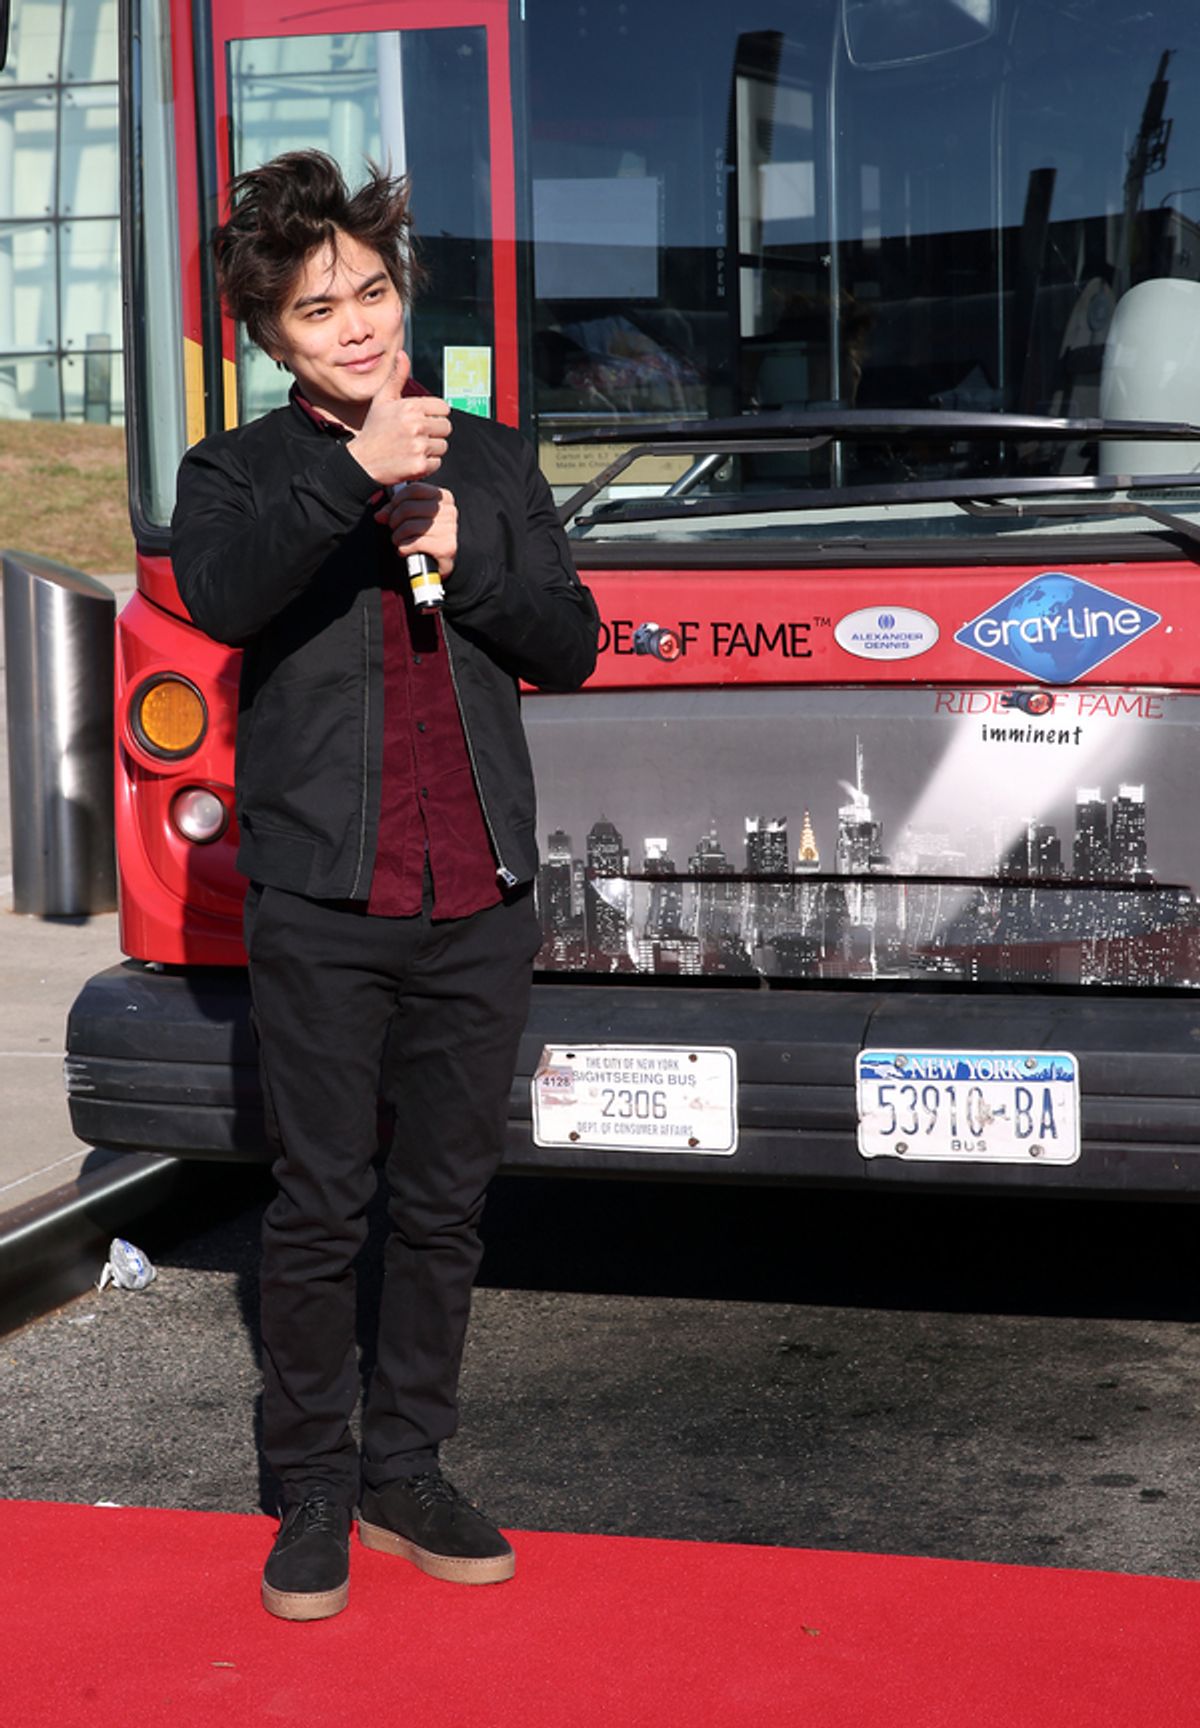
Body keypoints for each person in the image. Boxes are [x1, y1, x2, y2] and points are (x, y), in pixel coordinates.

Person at [171, 150, 599, 1621]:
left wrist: (472, 555)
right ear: (273, 340)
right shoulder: (237, 471)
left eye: (368, 290)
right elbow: (220, 595)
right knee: (316, 1204)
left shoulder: (493, 455)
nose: (354, 324)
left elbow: (571, 643)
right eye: (313, 311)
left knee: (442, 1206)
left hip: (477, 895)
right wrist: (354, 470)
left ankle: (407, 1464)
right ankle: (310, 1484)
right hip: (321, 902)